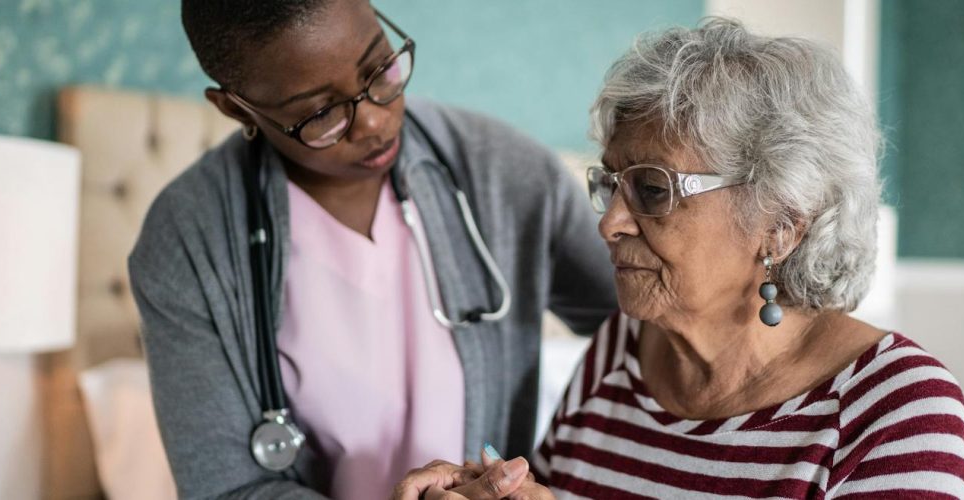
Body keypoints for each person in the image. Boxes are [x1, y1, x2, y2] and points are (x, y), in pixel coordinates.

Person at [394, 18, 964, 499]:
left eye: (652, 190)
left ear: (779, 227)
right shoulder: (620, 353)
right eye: (611, 184)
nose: (609, 223)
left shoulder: (897, 410)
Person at [127, 0, 618, 498]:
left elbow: (656, 326)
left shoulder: (506, 173)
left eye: (380, 69)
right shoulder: (187, 242)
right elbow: (227, 489)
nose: (373, 123)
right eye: (320, 113)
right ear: (236, 108)